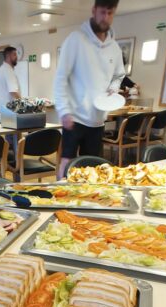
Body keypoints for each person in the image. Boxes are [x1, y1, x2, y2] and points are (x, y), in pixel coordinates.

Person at [54, 0, 125, 178]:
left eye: (110, 13)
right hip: (75, 115)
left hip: (97, 119)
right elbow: (61, 77)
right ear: (94, 11)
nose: (105, 17)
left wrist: (113, 88)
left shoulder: (114, 48)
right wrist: (63, 111)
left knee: (91, 167)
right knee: (67, 162)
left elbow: (119, 75)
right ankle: (57, 198)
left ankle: (87, 200)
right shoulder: (76, 39)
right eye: (102, 12)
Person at [0, 46, 21, 113]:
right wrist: (23, 103)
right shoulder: (8, 70)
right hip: (5, 112)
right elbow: (13, 91)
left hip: (0, 110)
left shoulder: (2, 68)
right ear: (8, 56)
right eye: (14, 55)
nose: (16, 57)